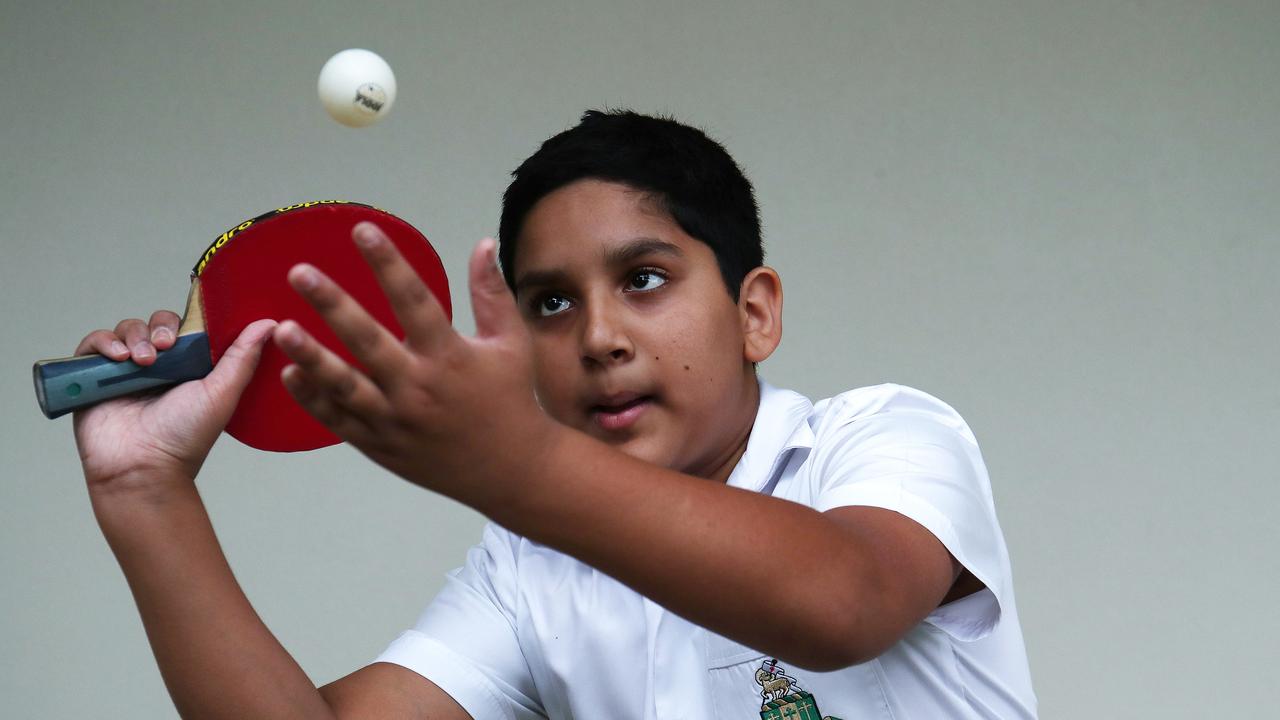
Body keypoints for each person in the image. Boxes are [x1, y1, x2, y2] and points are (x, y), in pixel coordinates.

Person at [72, 109, 1037, 718]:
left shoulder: (883, 437)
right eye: (551, 302)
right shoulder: (529, 572)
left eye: (645, 280)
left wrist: (517, 465)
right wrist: (146, 497)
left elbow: (843, 602)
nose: (599, 338)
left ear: (754, 313)